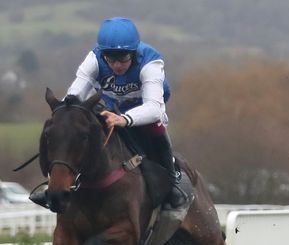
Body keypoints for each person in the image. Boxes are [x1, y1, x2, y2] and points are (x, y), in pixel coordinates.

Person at [31, 17, 188, 209]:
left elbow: (153, 109)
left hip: (147, 109)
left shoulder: (151, 61)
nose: (117, 65)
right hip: (114, 108)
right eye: (110, 59)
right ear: (103, 54)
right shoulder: (94, 59)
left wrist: (124, 119)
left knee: (155, 128)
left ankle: (171, 184)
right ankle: (55, 184)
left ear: (133, 53)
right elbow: (75, 94)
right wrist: (64, 116)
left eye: (123, 58)